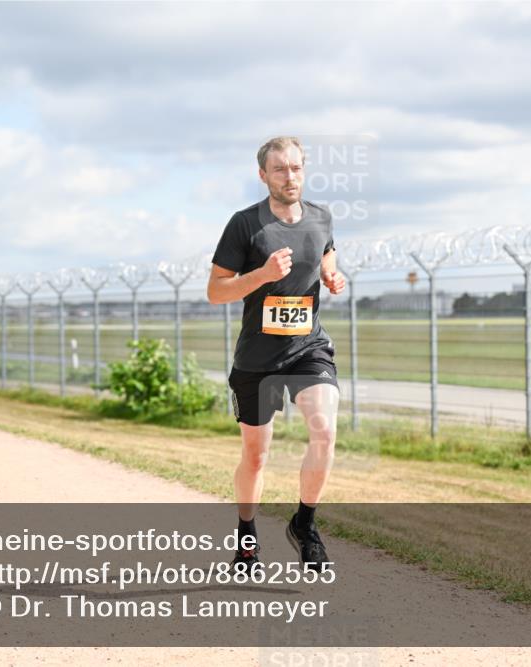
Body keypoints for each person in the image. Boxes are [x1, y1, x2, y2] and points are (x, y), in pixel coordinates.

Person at [207, 136, 346, 573]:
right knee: (256, 455)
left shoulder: (321, 217)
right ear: (263, 175)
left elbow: (326, 252)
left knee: (324, 430)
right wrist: (262, 275)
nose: (290, 177)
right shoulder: (245, 224)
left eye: (296, 168)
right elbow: (216, 291)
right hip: (257, 358)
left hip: (308, 347)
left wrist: (331, 273)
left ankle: (304, 525)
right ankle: (247, 537)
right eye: (280, 169)